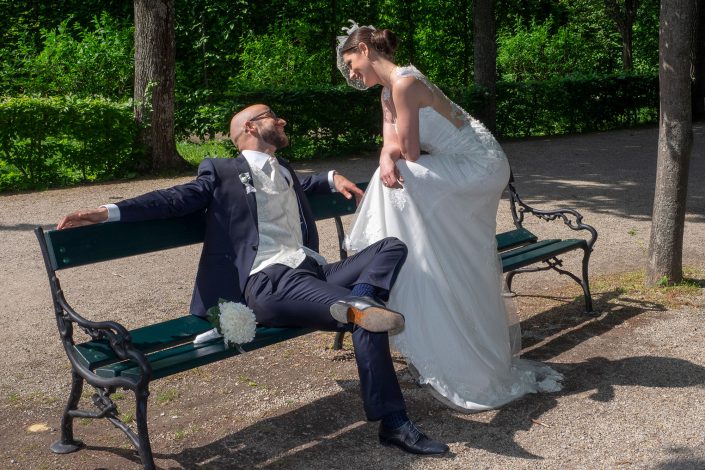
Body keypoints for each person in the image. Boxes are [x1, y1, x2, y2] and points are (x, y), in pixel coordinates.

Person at [57, 104, 449, 455]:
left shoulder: (286, 171)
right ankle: (394, 422)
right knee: (364, 313)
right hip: (270, 282)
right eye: (271, 117)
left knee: (391, 248)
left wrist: (331, 177)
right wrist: (106, 211)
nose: (281, 119)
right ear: (248, 128)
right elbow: (173, 198)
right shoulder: (221, 171)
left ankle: (360, 302)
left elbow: (306, 185)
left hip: (312, 272)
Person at [337, 22, 563, 412]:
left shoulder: (405, 84)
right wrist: (383, 152)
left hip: (481, 164)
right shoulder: (389, 92)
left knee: (399, 177)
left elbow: (405, 153)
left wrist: (387, 153)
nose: (351, 74)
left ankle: (384, 257)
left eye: (351, 63)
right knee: (434, 230)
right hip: (454, 164)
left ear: (364, 48)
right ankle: (414, 262)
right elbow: (389, 146)